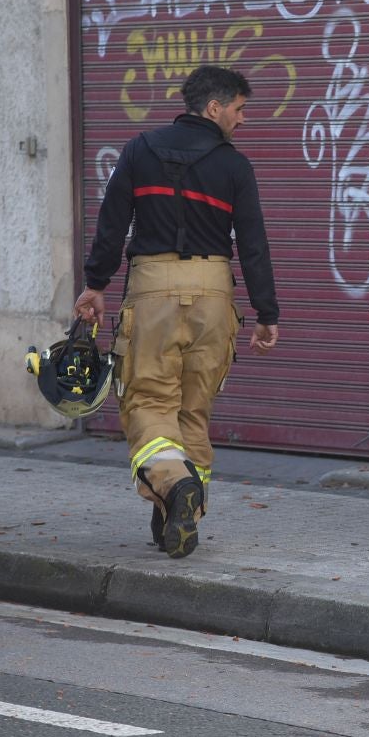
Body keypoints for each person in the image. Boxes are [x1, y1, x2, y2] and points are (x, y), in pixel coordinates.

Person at [73, 65, 280, 560]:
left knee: (147, 400)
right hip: (213, 295)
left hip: (152, 291)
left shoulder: (140, 150)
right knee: (192, 409)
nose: (243, 119)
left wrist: (96, 284)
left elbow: (112, 222)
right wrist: (266, 311)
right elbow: (252, 244)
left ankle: (171, 484)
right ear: (214, 108)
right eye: (239, 109)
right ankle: (179, 510)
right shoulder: (235, 166)